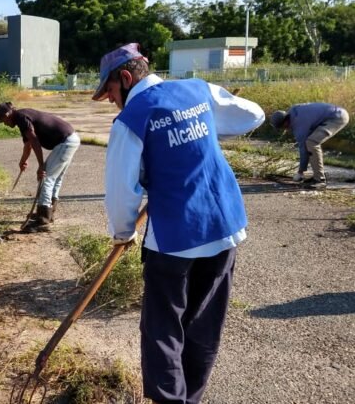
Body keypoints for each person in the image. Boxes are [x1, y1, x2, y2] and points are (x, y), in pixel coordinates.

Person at [92, 43, 265, 404]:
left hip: (175, 238)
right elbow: (254, 115)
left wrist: (123, 233)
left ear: (125, 77)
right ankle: (191, 399)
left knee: (162, 330)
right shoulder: (197, 89)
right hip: (224, 226)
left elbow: (122, 190)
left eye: (109, 91)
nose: (110, 100)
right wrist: (203, 133)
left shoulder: (131, 118)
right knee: (203, 325)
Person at [0, 101, 80, 231]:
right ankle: (48, 212)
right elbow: (28, 144)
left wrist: (41, 165)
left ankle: (43, 219)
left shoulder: (21, 118)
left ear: (7, 114)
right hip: (70, 139)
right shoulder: (21, 117)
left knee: (46, 176)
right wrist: (23, 161)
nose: (5, 124)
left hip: (65, 141)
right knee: (56, 177)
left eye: (3, 120)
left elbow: (34, 140)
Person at [269, 103, 350, 189]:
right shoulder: (294, 112)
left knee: (311, 142)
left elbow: (303, 149)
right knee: (310, 142)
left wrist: (300, 172)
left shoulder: (299, 124)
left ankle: (320, 180)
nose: (284, 129)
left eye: (282, 127)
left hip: (337, 118)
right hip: (335, 113)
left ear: (285, 122)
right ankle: (316, 176)